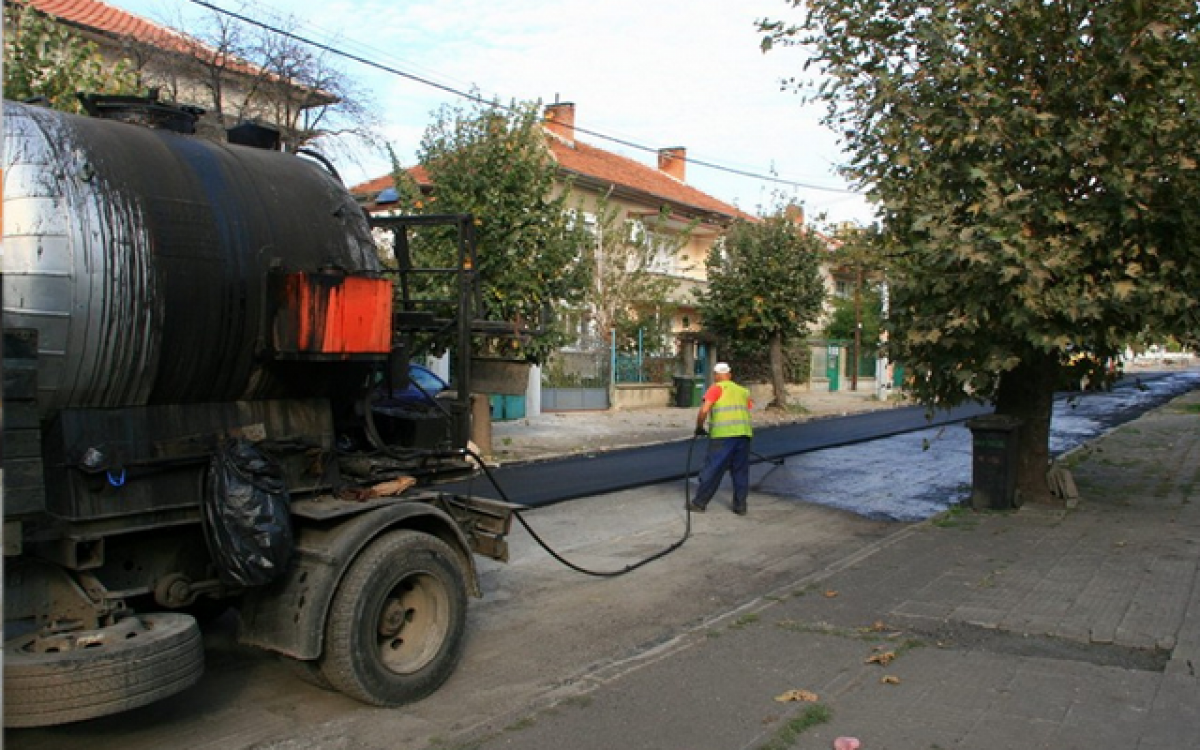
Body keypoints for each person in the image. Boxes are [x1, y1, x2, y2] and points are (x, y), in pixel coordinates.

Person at [688, 362, 753, 515]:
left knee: (713, 469)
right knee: (740, 471)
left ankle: (699, 503)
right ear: (730, 375)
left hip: (723, 437)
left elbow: (704, 410)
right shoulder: (743, 391)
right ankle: (740, 506)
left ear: (716, 376)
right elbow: (746, 409)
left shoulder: (715, 388)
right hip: (743, 435)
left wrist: (699, 427)